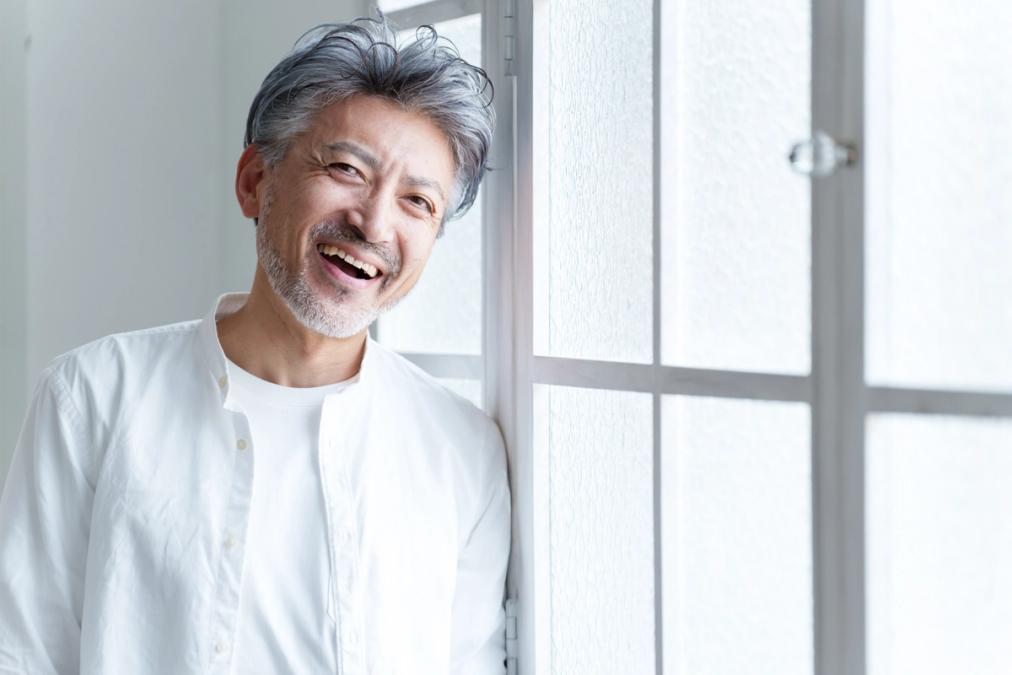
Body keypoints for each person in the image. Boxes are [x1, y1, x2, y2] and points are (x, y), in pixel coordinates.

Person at [0, 16, 509, 675]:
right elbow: (23, 652)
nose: (374, 223)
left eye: (418, 202)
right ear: (254, 183)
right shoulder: (90, 398)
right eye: (347, 168)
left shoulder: (462, 451)